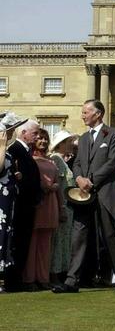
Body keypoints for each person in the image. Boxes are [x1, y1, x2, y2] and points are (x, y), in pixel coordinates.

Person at [53, 99, 115, 293]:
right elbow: (77, 162)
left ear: (98, 114)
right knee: (79, 235)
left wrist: (91, 180)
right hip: (83, 194)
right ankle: (72, 281)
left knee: (109, 235)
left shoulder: (113, 134)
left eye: (86, 112)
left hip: (104, 192)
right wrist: (79, 178)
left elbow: (112, 162)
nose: (83, 115)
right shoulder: (84, 138)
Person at [23, 129, 63, 291]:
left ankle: (43, 277)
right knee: (32, 243)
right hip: (37, 203)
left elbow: (58, 185)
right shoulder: (29, 159)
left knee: (45, 245)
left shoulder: (52, 161)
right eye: (39, 138)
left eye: (45, 138)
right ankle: (29, 279)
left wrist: (61, 208)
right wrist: (47, 186)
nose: (43, 141)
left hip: (51, 202)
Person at [5, 119, 42, 292]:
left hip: (27, 205)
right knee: (17, 243)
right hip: (19, 206)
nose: (38, 137)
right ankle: (13, 280)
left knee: (23, 243)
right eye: (35, 133)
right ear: (23, 133)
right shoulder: (15, 150)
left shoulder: (25, 151)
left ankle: (17, 278)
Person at [48, 130, 78, 288]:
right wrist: (60, 207)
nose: (71, 144)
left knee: (64, 242)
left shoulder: (62, 160)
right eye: (68, 142)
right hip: (63, 205)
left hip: (68, 205)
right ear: (60, 145)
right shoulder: (56, 159)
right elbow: (58, 186)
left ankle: (59, 272)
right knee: (58, 242)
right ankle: (54, 273)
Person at [0, 113, 25, 292]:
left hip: (8, 199)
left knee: (6, 235)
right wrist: (1, 146)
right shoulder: (1, 148)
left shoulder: (7, 150)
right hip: (1, 199)